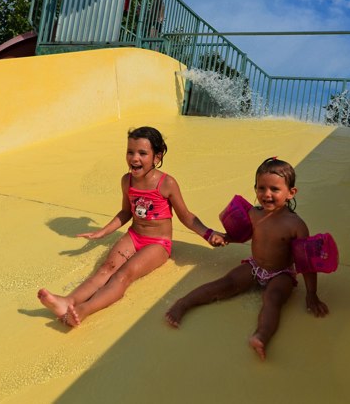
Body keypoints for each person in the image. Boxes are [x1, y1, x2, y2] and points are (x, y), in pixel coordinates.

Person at [37, 126, 227, 327]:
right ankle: (68, 302)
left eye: (142, 153)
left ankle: (84, 310)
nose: (134, 158)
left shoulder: (166, 183)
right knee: (105, 269)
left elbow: (186, 217)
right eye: (130, 152)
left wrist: (209, 234)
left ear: (157, 156)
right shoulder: (126, 181)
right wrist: (103, 231)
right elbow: (126, 212)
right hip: (134, 236)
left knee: (122, 275)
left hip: (158, 244)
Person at [165, 157, 329, 360]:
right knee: (226, 283)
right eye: (261, 188)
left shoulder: (296, 225)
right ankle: (183, 303)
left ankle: (261, 336)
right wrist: (226, 238)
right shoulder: (254, 214)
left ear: (291, 193)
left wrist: (311, 293)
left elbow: (307, 263)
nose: (267, 194)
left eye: (274, 189)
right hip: (255, 266)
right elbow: (243, 235)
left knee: (273, 299)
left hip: (281, 273)